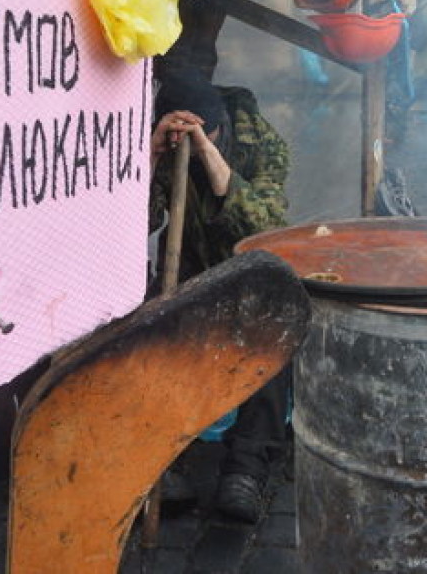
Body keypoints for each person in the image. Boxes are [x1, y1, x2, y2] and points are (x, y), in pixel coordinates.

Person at [148, 65, 291, 522]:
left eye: (202, 132)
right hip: (189, 274)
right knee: (149, 340)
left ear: (219, 125)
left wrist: (211, 159)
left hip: (250, 273)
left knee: (274, 338)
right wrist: (151, 156)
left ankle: (246, 469)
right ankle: (163, 463)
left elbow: (266, 228)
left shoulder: (261, 142)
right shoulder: (160, 143)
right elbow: (140, 222)